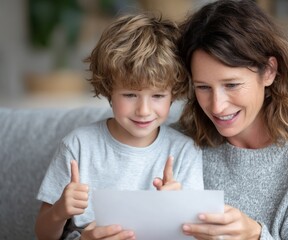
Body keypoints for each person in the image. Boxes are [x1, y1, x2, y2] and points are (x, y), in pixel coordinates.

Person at [177, 0, 288, 239]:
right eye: (203, 87)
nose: (217, 105)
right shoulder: (176, 144)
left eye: (231, 85)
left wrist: (255, 235)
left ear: (269, 71)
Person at [35, 13, 203, 240]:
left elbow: (197, 233)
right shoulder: (78, 146)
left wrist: (178, 207)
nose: (144, 110)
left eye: (157, 95)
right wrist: (59, 211)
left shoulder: (184, 151)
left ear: (173, 94)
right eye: (130, 94)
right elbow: (42, 235)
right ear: (108, 90)